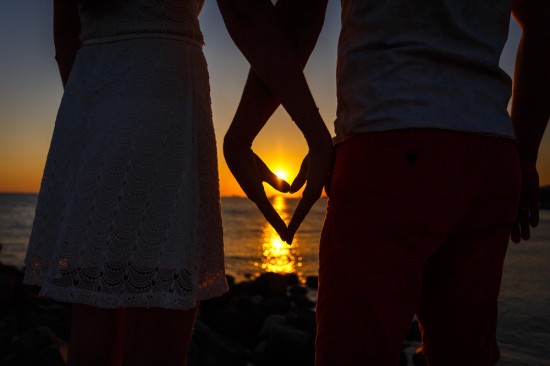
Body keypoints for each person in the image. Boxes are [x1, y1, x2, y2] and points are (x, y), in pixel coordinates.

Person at [220, 1, 549, 366]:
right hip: (489, 152)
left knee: (355, 352)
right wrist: (524, 155)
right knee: (467, 352)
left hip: (386, 142)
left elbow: (300, 15)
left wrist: (246, 133)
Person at [23, 1, 228, 365]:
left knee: (92, 307)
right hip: (165, 96)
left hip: (92, 102)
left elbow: (65, 37)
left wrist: (94, 115)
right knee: (160, 294)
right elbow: (246, 14)